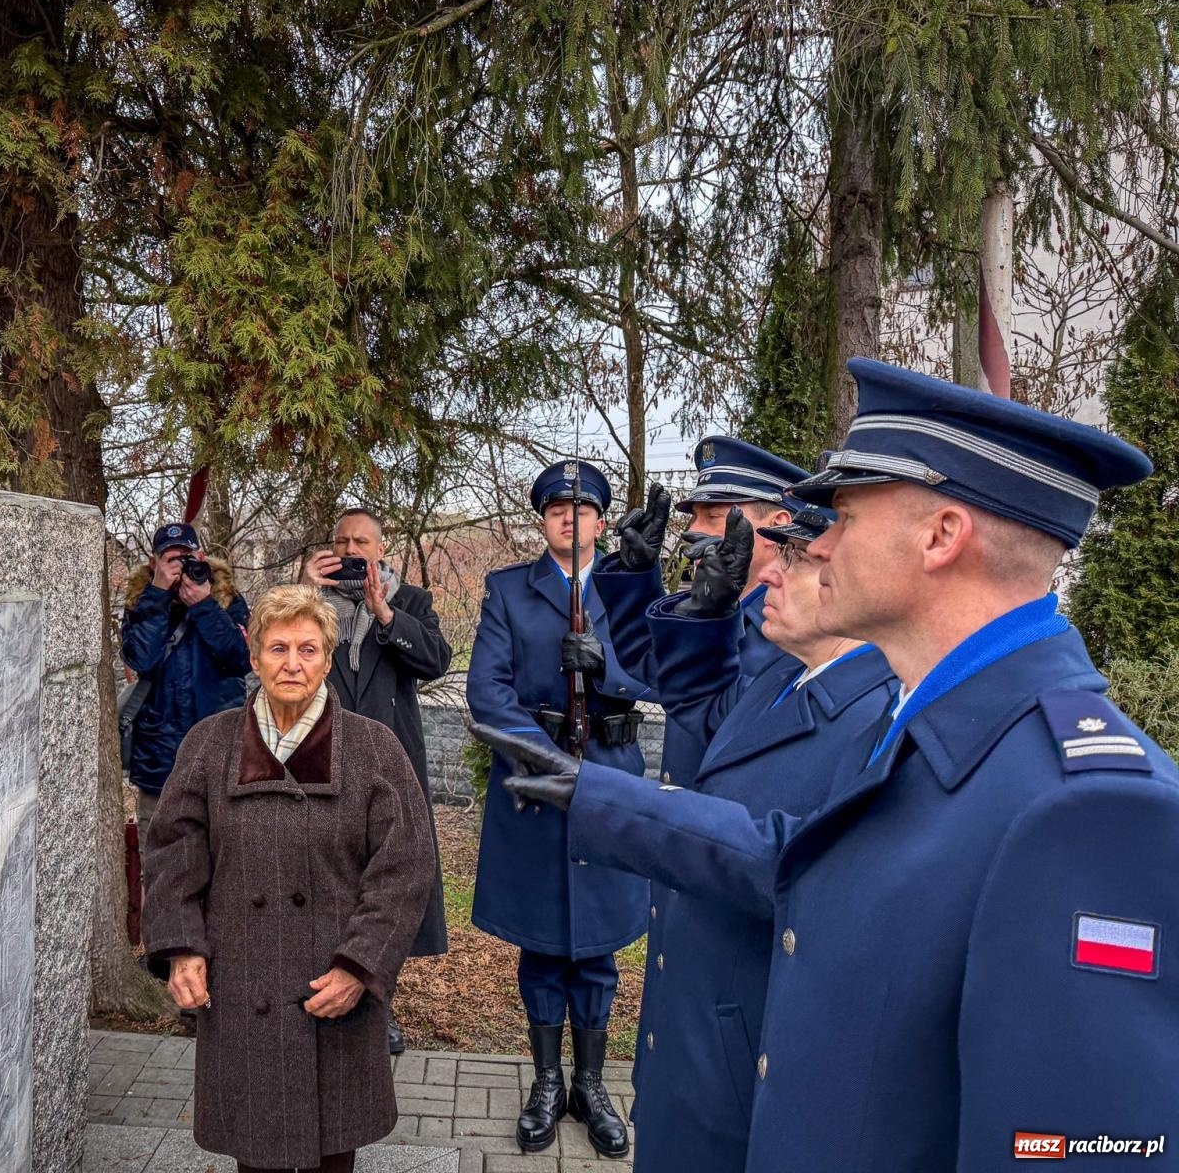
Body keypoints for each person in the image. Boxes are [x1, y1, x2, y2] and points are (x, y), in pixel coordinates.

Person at [474, 358, 1178, 1171]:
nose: (814, 543)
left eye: (844, 514)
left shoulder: (1091, 809)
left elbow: (1084, 1149)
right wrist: (598, 795)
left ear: (942, 536)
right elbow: (798, 860)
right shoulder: (939, 720)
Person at [628, 504, 897, 1173]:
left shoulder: (875, 715)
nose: (769, 575)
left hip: (737, 1062)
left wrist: (614, 808)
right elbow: (698, 721)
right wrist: (707, 619)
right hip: (689, 1040)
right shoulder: (782, 674)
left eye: (796, 559)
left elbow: (789, 861)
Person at [141, 585, 435, 1173]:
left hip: (333, 985)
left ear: (328, 659)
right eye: (277, 648)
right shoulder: (210, 744)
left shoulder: (373, 748)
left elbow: (405, 867)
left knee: (332, 1154)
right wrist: (180, 948)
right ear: (254, 658)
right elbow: (173, 851)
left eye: (308, 649)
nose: (292, 664)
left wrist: (360, 965)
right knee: (255, 1150)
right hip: (241, 983)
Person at [466, 459, 661, 1159]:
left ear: (601, 522)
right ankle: (546, 1083)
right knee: (543, 945)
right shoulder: (507, 591)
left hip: (609, 780)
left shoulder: (632, 593)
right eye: (555, 511)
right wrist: (549, 762)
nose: (568, 520)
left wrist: (606, 668)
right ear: (543, 520)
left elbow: (665, 675)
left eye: (581, 511)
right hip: (536, 785)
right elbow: (488, 692)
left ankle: (591, 1084)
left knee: (600, 949)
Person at [302, 507, 453, 1055]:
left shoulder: (409, 602)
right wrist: (306, 594)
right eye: (340, 539)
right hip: (321, 765)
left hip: (391, 770)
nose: (349, 548)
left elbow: (436, 660)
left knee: (388, 888)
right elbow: (275, 655)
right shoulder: (310, 606)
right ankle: (332, 992)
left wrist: (384, 614)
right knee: (331, 885)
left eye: (360, 540)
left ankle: (378, 1004)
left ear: (381, 550)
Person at [122, 522, 251, 863]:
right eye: (171, 559)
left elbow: (241, 659)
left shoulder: (226, 599)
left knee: (224, 867)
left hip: (220, 753)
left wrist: (204, 606)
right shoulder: (141, 602)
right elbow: (140, 659)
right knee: (160, 865)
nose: (181, 566)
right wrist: (160, 594)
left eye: (187, 557)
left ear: (202, 557)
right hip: (159, 761)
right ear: (154, 563)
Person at [674, 436, 810, 682]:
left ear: (778, 526)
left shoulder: (797, 629)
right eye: (694, 517)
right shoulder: (696, 608)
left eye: (714, 516)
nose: (693, 530)